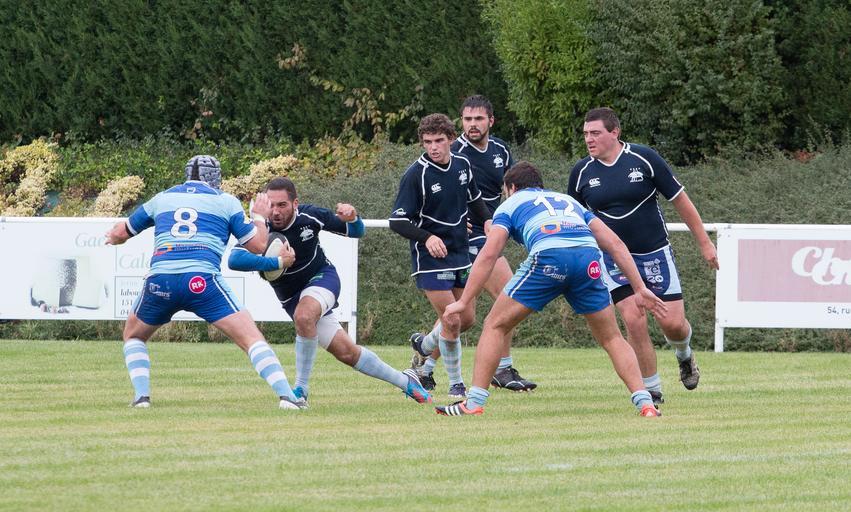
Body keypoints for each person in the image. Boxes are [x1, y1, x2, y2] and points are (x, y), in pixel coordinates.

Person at [438, 161, 667, 417]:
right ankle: (645, 403)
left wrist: (464, 300)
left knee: (495, 325)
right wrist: (639, 288)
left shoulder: (510, 204)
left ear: (511, 188)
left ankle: (473, 404)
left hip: (550, 257)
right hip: (588, 260)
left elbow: (489, 254)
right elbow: (615, 243)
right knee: (612, 337)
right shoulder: (569, 202)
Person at [105, 155, 305, 410]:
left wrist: (114, 237)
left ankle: (141, 398)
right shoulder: (226, 201)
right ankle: (287, 397)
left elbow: (122, 232)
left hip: (161, 280)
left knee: (133, 336)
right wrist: (258, 216)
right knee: (251, 338)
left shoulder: (162, 198)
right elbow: (258, 246)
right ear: (216, 178)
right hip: (201, 281)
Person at [228, 177, 430, 406]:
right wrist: (277, 262)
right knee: (347, 353)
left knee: (304, 316)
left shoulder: (310, 216)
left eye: (282, 205)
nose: (275, 211)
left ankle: (300, 392)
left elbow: (356, 231)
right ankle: (407, 382)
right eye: (271, 205)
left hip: (322, 278)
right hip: (291, 297)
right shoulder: (261, 227)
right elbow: (235, 260)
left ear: (295, 204)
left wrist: (353, 218)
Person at [567, 107, 718, 404]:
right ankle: (652, 391)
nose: (588, 139)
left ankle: (684, 354)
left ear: (615, 132)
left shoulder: (644, 158)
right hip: (613, 259)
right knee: (633, 319)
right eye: (585, 134)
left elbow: (681, 200)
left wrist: (705, 243)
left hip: (654, 253)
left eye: (595, 133)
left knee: (673, 324)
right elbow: (574, 219)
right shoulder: (582, 172)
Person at [389, 113, 492, 399]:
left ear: (451, 139)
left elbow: (474, 199)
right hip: (430, 258)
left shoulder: (462, 164)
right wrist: (428, 237)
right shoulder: (416, 174)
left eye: (438, 141)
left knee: (466, 318)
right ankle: (456, 383)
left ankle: (424, 346)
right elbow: (397, 221)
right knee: (452, 319)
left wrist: (487, 220)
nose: (433, 147)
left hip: (460, 252)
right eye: (427, 142)